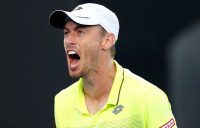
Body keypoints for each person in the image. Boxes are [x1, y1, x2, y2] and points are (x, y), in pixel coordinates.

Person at [49, 3, 177, 128]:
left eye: (80, 32)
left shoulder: (149, 97)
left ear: (107, 40)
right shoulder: (62, 102)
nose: (69, 40)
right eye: (66, 33)